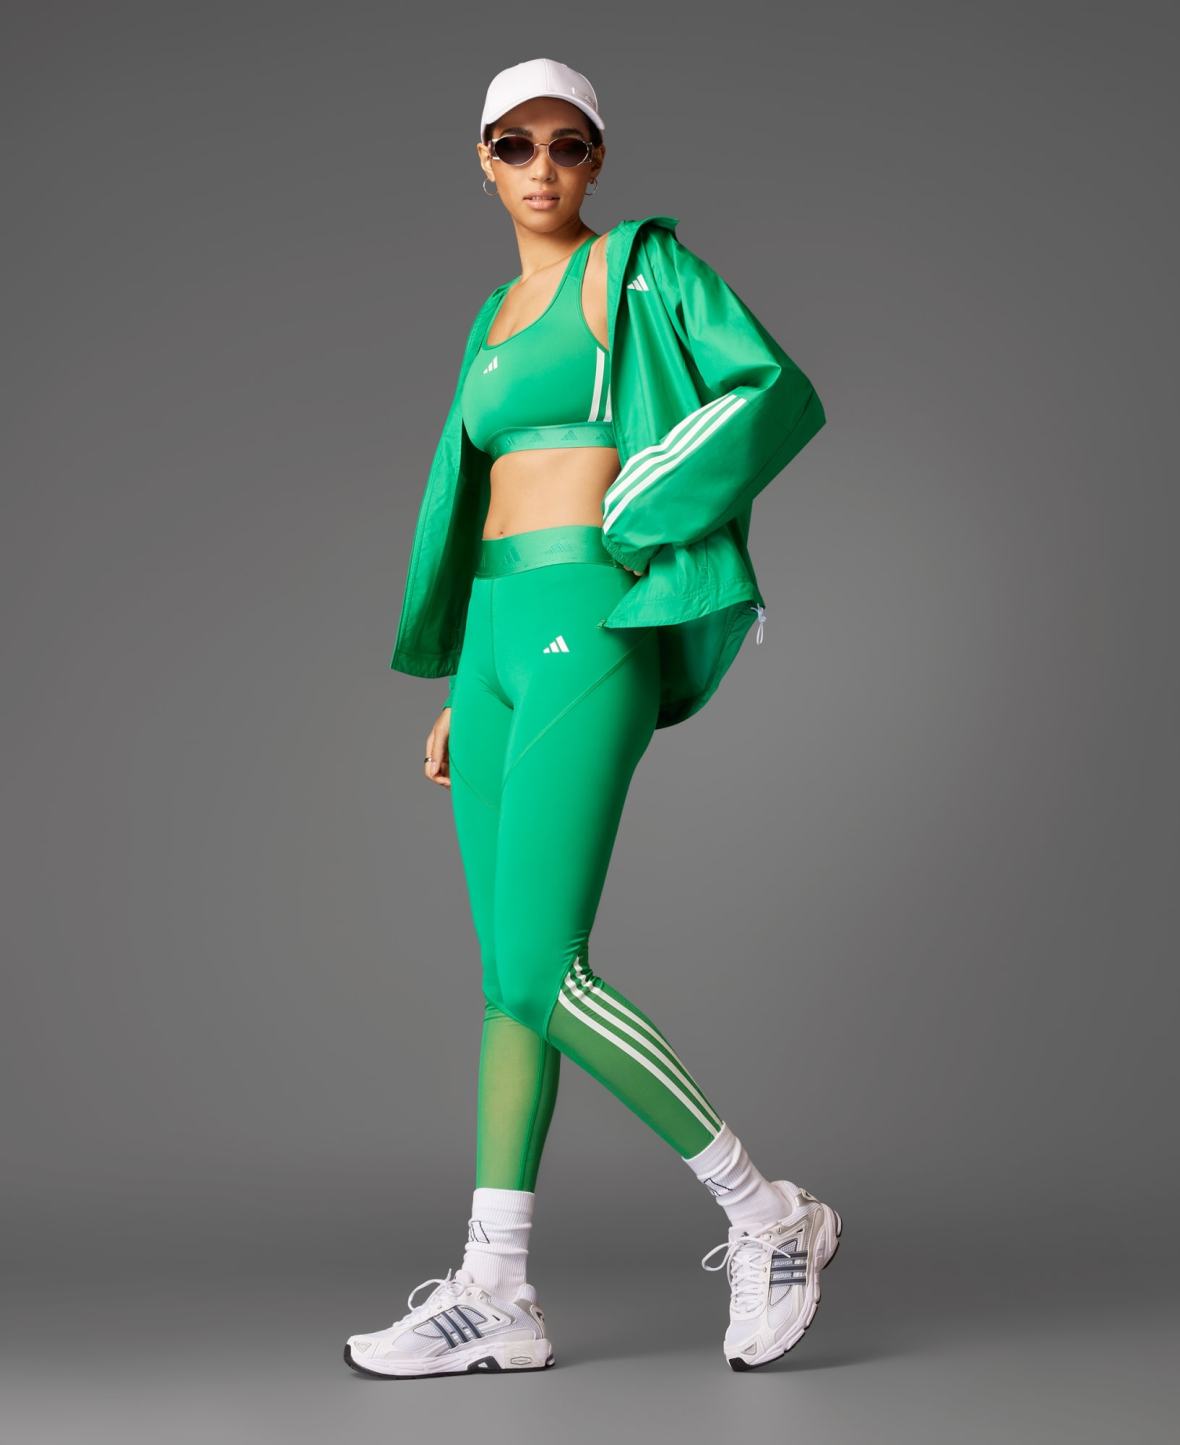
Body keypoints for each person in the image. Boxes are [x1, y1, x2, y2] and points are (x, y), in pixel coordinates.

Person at [344, 57, 835, 1378]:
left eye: (568, 144)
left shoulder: (639, 269)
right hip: (498, 635)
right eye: (515, 145)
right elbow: (476, 495)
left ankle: (764, 1210)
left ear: (597, 158)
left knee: (537, 969)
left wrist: (642, 501)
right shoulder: (493, 316)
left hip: (588, 616)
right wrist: (462, 679)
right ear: (484, 160)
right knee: (507, 980)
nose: (543, 167)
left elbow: (771, 389)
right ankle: (495, 1288)